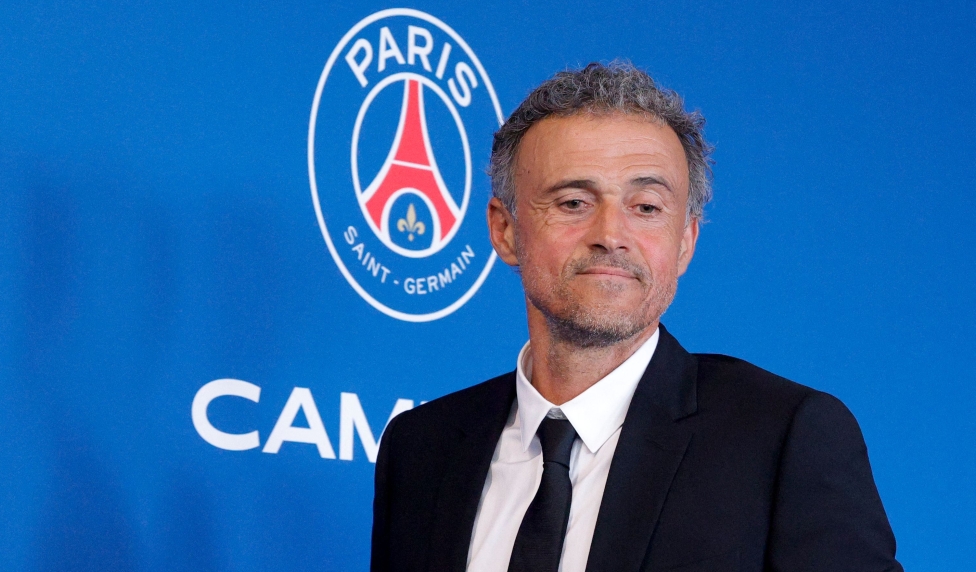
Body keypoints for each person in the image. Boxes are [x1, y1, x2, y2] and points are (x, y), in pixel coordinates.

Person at [370, 62, 903, 572]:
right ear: (504, 230)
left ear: (686, 241)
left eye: (646, 207)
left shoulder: (781, 437)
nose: (611, 235)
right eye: (573, 202)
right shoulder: (421, 450)